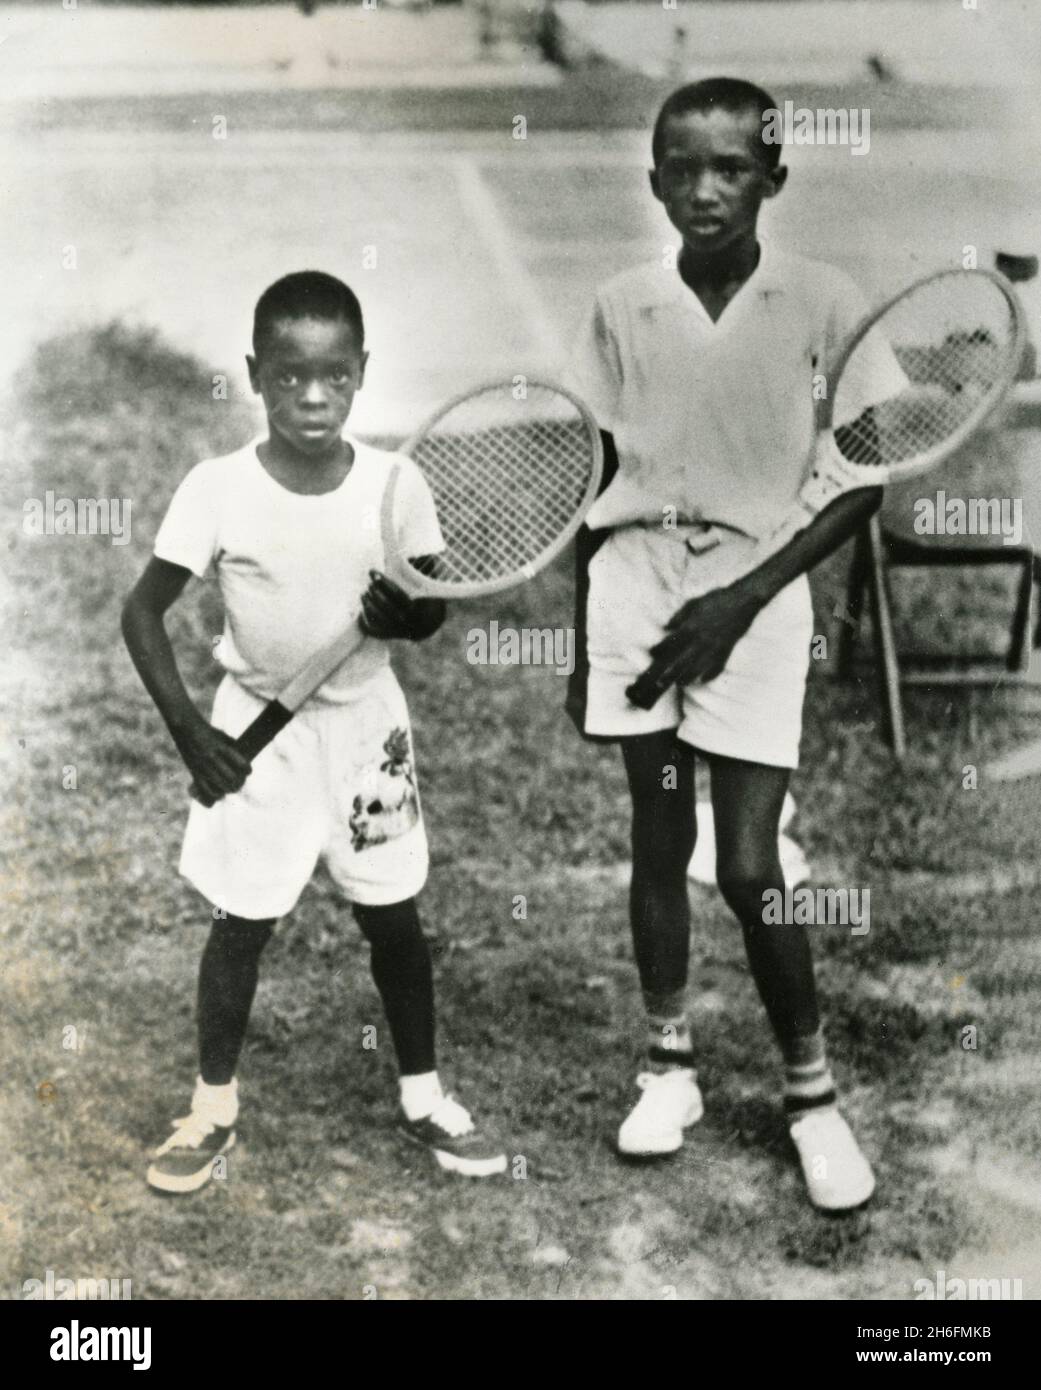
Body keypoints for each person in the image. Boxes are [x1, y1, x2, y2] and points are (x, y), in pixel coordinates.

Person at [566, 79, 906, 1210]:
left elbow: (864, 475)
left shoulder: (821, 301)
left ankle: (811, 1096)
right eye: (681, 166)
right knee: (657, 839)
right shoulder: (622, 302)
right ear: (652, 175)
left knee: (753, 863)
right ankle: (669, 1066)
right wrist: (585, 641)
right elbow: (599, 478)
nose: (704, 189)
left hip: (754, 598)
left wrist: (745, 596)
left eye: (731, 168)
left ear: (774, 178)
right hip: (635, 592)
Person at [122, 270, 506, 1193]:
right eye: (290, 376)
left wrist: (403, 616)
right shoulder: (217, 488)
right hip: (258, 732)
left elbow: (429, 614)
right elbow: (143, 613)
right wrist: (188, 732)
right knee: (240, 923)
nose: (312, 394)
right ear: (254, 374)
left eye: (333, 374)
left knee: (393, 919)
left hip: (366, 734)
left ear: (362, 371)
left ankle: (423, 1098)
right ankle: (211, 1110)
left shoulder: (395, 483)